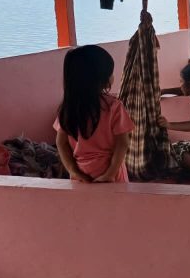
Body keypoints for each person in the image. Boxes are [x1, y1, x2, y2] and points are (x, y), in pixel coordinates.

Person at [54, 45, 134, 183]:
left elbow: (61, 143)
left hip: (81, 176)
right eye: (110, 73)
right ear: (100, 78)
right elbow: (123, 143)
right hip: (111, 175)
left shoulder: (68, 108)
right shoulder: (113, 106)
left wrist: (73, 171)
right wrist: (110, 174)